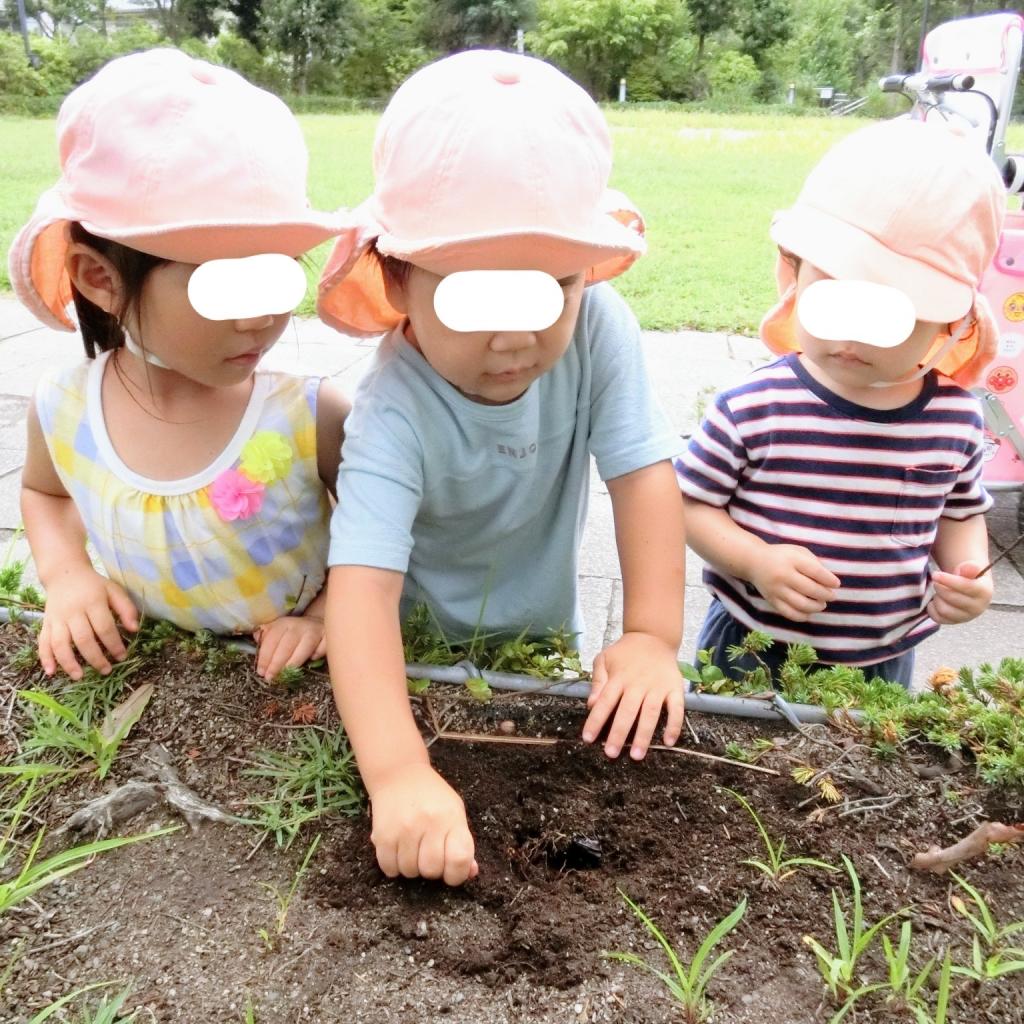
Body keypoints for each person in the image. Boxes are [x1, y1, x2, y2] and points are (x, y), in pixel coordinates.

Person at [317, 50, 686, 886]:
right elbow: (362, 590)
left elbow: (644, 479)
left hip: (547, 640)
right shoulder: (393, 405)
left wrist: (651, 637)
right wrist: (399, 773)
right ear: (399, 279)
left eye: (552, 286)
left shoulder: (600, 330)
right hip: (417, 651)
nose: (517, 335)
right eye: (476, 297)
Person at [11, 49, 355, 683]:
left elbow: (382, 524)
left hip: (285, 676)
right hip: (158, 665)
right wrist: (66, 576)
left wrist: (329, 612)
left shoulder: (308, 415)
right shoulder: (63, 409)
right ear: (100, 278)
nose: (260, 317)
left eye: (276, 277)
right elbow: (43, 492)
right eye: (226, 285)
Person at [677, 118, 1004, 688]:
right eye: (832, 296)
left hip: (881, 658)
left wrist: (968, 573)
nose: (853, 336)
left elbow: (960, 511)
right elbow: (687, 506)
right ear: (794, 276)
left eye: (891, 314)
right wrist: (754, 561)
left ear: (950, 324)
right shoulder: (754, 406)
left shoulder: (954, 419)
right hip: (752, 643)